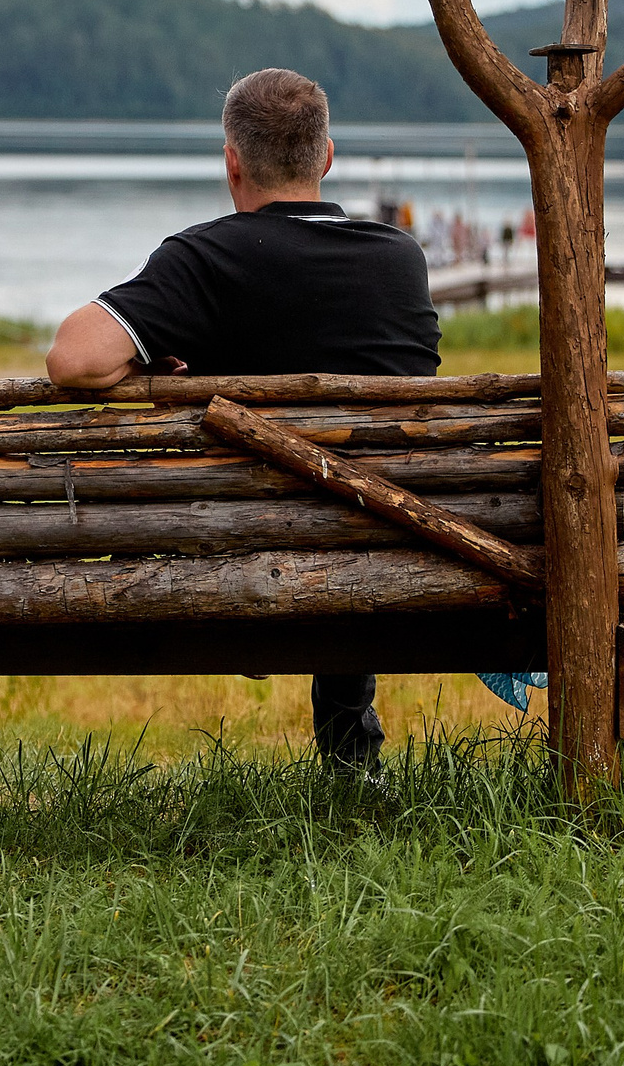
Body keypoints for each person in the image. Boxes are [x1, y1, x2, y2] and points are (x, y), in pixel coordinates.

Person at [44, 67, 440, 773]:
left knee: (299, 499)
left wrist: (144, 372)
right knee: (350, 490)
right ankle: (351, 753)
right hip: (393, 551)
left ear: (231, 161)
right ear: (327, 157)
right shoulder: (400, 260)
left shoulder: (206, 258)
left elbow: (72, 359)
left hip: (244, 559)